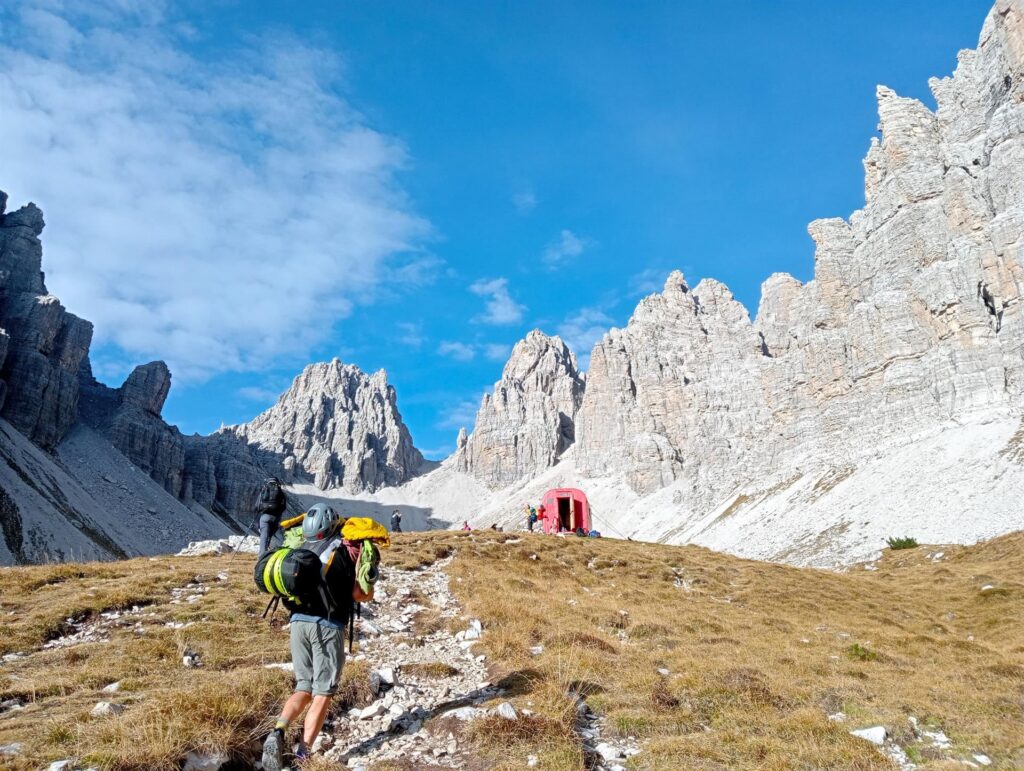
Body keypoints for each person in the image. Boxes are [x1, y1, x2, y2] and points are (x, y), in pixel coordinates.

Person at [262, 503, 354, 770]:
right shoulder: (342, 552)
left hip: (298, 624)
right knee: (323, 692)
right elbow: (359, 594)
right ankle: (304, 755)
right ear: (333, 526)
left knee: (303, 686)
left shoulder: (299, 550)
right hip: (327, 626)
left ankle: (278, 731)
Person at [256, 476, 287, 553]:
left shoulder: (264, 491)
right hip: (276, 518)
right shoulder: (280, 492)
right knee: (270, 535)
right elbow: (284, 506)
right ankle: (268, 552)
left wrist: (260, 511)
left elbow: (257, 506)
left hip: (265, 517)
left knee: (264, 536)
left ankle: (262, 555)